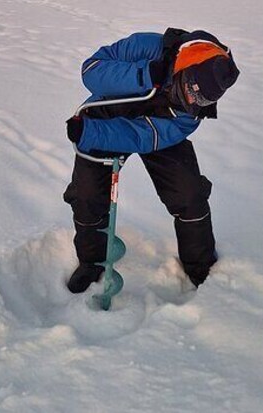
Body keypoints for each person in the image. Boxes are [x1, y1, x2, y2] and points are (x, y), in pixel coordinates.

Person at [63, 27, 240, 293]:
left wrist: (94, 134)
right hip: (106, 115)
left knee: (189, 195)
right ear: (185, 68)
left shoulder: (192, 112)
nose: (193, 101)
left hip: (158, 132)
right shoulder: (148, 46)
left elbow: (142, 137)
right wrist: (144, 75)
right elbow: (92, 71)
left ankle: (200, 268)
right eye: (191, 91)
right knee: (86, 196)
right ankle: (92, 261)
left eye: (201, 100)